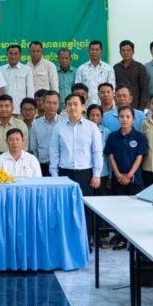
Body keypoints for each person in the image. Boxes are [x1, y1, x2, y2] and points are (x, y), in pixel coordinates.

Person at [49, 94, 104, 237]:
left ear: (83, 107)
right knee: (65, 208)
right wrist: (54, 175)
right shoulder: (59, 127)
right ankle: (67, 239)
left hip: (85, 173)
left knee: (85, 208)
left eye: (75, 104)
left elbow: (97, 151)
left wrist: (97, 174)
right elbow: (54, 151)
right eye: (69, 104)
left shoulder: (91, 127)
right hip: (64, 173)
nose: (72, 107)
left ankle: (87, 239)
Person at [107, 106, 148, 196]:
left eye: (128, 117)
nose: (124, 119)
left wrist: (129, 175)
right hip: (118, 180)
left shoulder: (139, 137)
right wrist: (118, 175)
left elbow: (139, 157)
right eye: (122, 117)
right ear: (118, 118)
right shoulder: (112, 136)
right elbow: (111, 157)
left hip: (135, 179)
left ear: (133, 119)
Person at [75, 40, 115, 106]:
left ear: (101, 51)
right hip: (86, 105)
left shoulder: (108, 69)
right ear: (89, 51)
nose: (94, 52)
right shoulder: (81, 69)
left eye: (97, 50)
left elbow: (112, 89)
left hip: (103, 105)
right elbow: (77, 90)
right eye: (92, 50)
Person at [30, 91, 60, 177]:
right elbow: (34, 147)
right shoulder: (36, 124)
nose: (52, 106)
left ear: (58, 105)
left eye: (55, 103)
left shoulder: (64, 123)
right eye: (49, 103)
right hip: (42, 166)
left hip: (60, 166)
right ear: (43, 103)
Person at [113, 40, 150, 111]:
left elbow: (144, 89)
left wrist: (141, 108)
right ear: (120, 52)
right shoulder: (116, 67)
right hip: (120, 105)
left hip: (136, 105)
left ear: (133, 52)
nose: (126, 52)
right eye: (123, 50)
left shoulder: (140, 67)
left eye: (128, 50)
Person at [57, 48, 76, 113]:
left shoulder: (76, 72)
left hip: (73, 107)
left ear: (70, 59)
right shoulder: (54, 72)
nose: (64, 60)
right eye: (62, 58)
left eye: (66, 58)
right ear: (58, 59)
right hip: (57, 108)